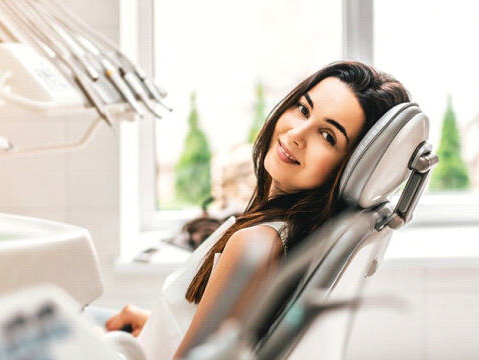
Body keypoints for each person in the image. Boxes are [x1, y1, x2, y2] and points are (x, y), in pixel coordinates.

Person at [103, 61, 410, 359]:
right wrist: (153, 326)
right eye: (303, 109)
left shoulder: (256, 245)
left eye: (327, 136)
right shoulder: (288, 236)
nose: (297, 134)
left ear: (349, 168)